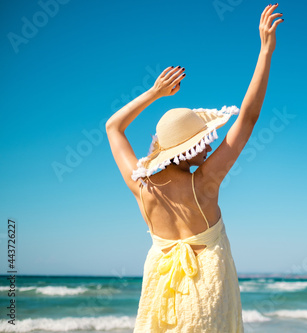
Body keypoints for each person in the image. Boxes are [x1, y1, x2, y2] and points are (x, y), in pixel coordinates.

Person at [105, 4, 283, 332]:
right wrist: (266, 50)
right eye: (200, 143)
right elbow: (248, 117)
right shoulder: (204, 182)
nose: (209, 146)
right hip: (207, 297)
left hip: (161, 293)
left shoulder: (140, 186)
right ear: (183, 153)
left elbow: (113, 128)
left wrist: (155, 93)